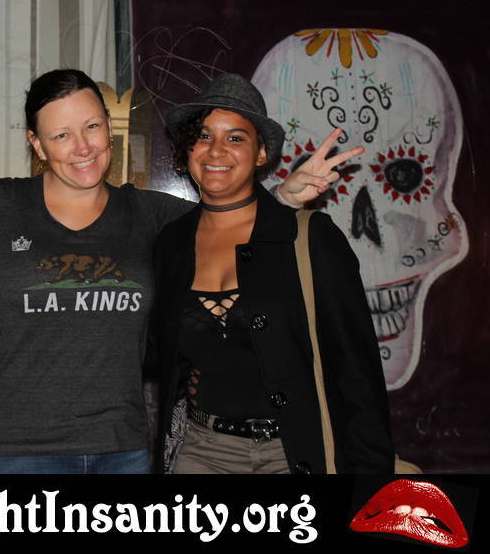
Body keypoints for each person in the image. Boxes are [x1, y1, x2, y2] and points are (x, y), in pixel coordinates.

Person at [0, 69, 359, 474]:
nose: (82, 147)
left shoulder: (152, 216)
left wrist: (284, 197)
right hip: (13, 453)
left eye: (92, 127)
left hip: (123, 450)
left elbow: (229, 226)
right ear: (36, 144)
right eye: (61, 134)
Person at [151, 72, 394, 474]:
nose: (216, 150)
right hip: (202, 452)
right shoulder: (170, 244)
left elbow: (358, 376)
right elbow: (156, 355)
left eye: (235, 138)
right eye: (204, 135)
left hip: (294, 452)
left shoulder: (310, 238)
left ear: (261, 153)